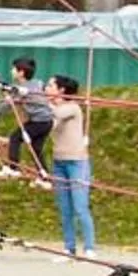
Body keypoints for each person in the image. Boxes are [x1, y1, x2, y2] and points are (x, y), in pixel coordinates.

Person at [47, 72, 98, 257]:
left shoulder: (72, 108)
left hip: (77, 162)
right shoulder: (52, 109)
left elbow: (54, 113)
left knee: (80, 206)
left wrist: (37, 101)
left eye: (50, 85)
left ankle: (90, 247)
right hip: (59, 162)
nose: (46, 88)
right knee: (65, 208)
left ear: (61, 90)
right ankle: (69, 248)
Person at [3, 56, 56, 180]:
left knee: (15, 138)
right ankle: (44, 176)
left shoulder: (22, 89)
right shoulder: (37, 83)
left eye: (14, 69)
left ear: (21, 72)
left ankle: (13, 167)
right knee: (36, 148)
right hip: (47, 121)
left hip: (39, 121)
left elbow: (7, 106)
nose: (11, 71)